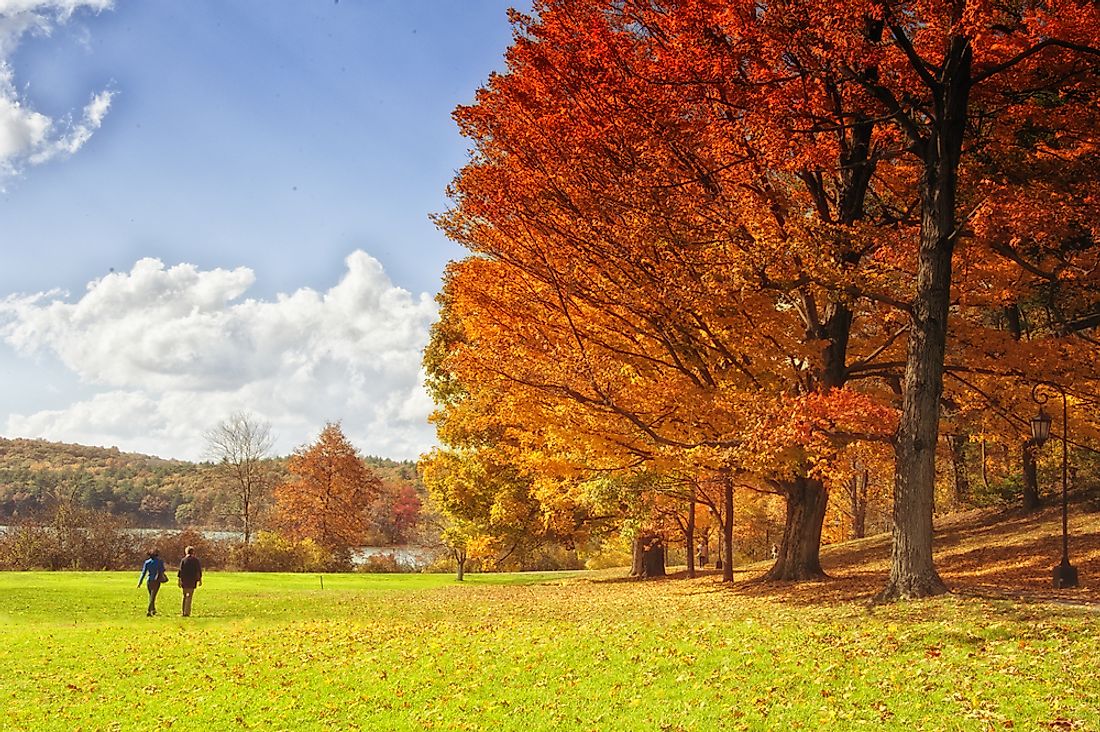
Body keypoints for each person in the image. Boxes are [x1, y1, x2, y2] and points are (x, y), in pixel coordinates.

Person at [137, 550, 166, 616]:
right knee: (153, 596)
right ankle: (149, 610)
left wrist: (140, 582)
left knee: (151, 596)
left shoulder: (147, 562)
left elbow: (143, 573)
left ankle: (153, 610)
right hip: (157, 580)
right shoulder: (160, 562)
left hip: (149, 580)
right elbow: (162, 570)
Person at [178, 545, 203, 617]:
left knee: (184, 596)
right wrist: (200, 580)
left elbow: (180, 571)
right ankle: (187, 612)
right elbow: (198, 571)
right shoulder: (196, 560)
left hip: (184, 580)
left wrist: (179, 580)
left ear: (186, 552)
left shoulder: (183, 560)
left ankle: (183, 611)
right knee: (190, 597)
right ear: (193, 552)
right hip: (192, 581)